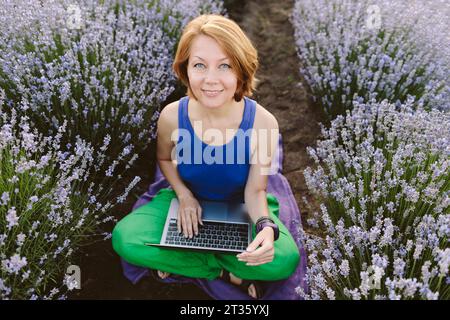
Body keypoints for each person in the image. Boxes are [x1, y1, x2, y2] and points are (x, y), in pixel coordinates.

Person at [112, 14, 300, 299]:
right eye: (199, 65)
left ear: (241, 71)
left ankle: (187, 263)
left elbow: (256, 190)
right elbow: (164, 161)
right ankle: (226, 272)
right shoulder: (172, 117)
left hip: (240, 207)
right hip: (185, 203)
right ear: (185, 69)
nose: (211, 79)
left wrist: (265, 226)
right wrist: (184, 196)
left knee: (284, 259)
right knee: (125, 239)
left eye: (224, 66)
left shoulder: (263, 122)